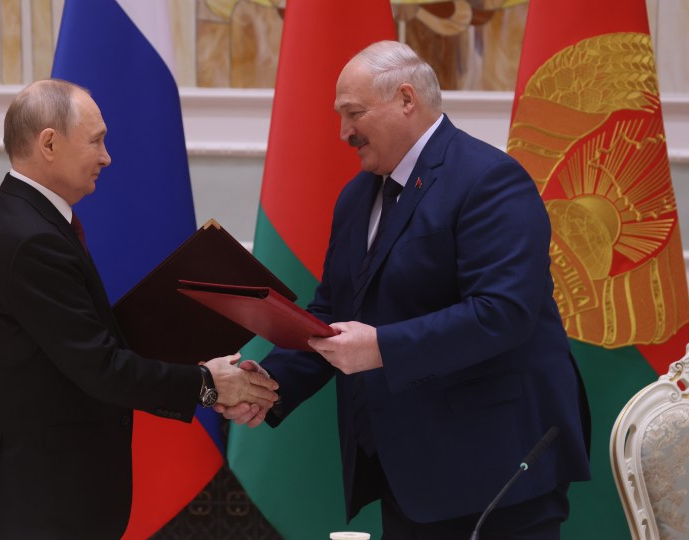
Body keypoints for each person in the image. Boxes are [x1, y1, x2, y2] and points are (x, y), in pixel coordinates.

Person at [220, 41, 591, 538]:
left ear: (406, 99)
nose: (344, 132)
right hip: (406, 472)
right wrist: (267, 383)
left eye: (353, 113)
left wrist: (379, 348)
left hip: (495, 471)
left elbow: (503, 312)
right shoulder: (357, 196)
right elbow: (330, 314)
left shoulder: (489, 179)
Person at [0, 79, 279, 539]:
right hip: (34, 502)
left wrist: (197, 365)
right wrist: (206, 384)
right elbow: (99, 367)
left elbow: (86, 347)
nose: (107, 157)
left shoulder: (33, 221)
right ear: (48, 143)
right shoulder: (31, 239)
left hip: (47, 493)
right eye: (97, 141)